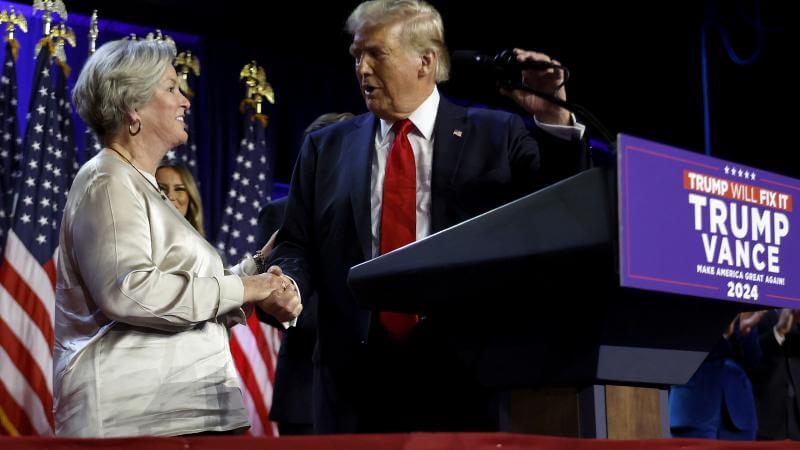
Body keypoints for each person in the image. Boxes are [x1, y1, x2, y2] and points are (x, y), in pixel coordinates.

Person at [265, 0, 587, 434]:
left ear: (426, 61)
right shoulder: (326, 147)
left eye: (376, 54)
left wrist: (551, 118)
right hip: (352, 385)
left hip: (465, 380)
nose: (362, 69)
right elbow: (296, 242)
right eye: (357, 56)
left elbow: (561, 213)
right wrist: (289, 283)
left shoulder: (497, 135)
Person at [54, 38, 301, 437]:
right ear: (132, 107)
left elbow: (187, 297)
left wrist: (256, 271)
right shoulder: (107, 180)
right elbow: (130, 291)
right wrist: (247, 287)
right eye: (171, 88)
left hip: (187, 413)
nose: (185, 100)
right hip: (138, 421)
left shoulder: (143, 187)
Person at [259, 112, 354, 435]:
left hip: (370, 383)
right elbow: (268, 307)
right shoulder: (278, 214)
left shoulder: (374, 207)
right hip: (304, 385)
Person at [669, 311, 765, 440]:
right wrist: (724, 335)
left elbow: (754, 362)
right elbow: (681, 349)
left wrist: (744, 331)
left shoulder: (740, 306)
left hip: (739, 413)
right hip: (695, 405)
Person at [751, 308, 800, 440]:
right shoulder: (756, 312)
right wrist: (778, 332)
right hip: (767, 413)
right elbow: (750, 354)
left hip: (796, 416)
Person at [156, 162, 205, 236]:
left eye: (179, 189)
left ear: (191, 197)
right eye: (161, 188)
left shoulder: (200, 246)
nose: (170, 197)